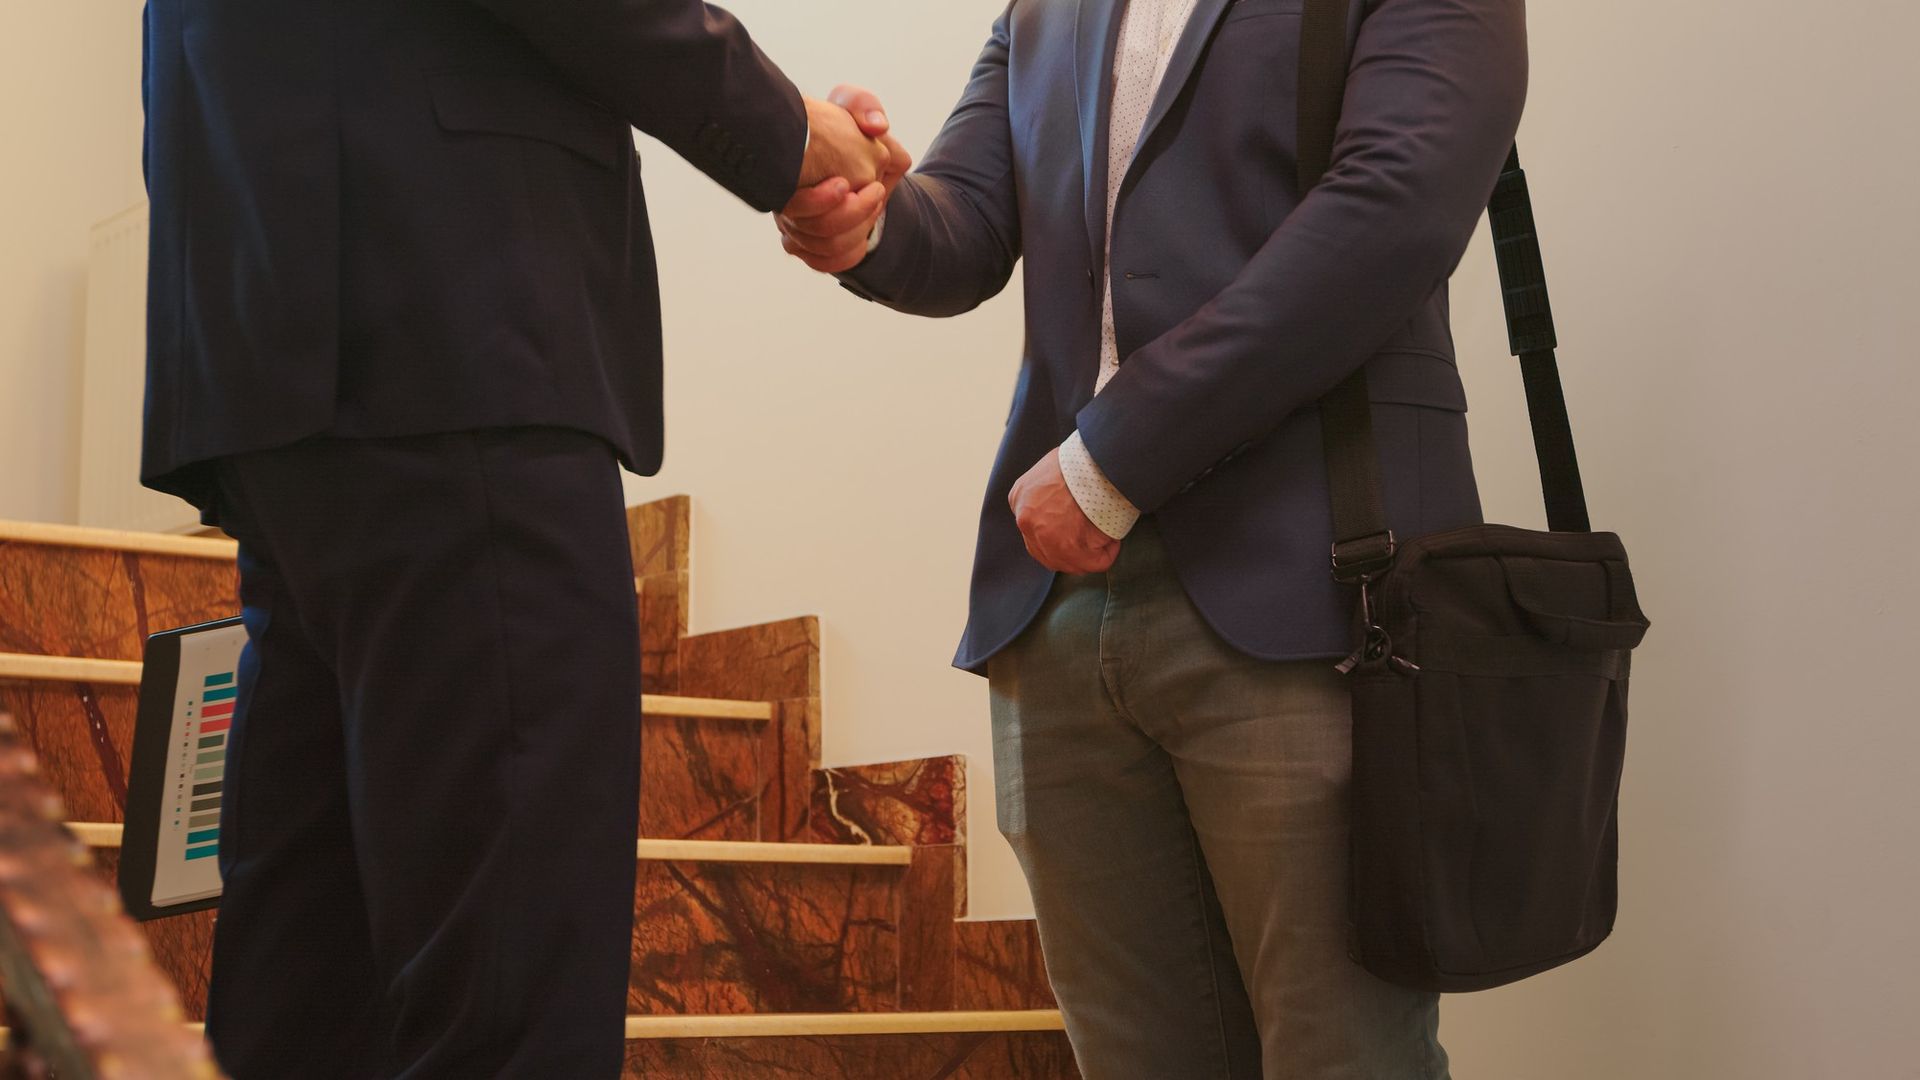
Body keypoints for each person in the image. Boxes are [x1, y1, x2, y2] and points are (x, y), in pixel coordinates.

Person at [139, 1, 902, 1076]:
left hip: (271, 330)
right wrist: (786, 132)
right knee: (509, 1000)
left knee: (307, 988)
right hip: (448, 321)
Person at [778, 0, 1527, 1075]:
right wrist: (860, 208)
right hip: (1057, 617)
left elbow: (1393, 210)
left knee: (1344, 1055)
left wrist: (1110, 458)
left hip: (1323, 598)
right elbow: (963, 227)